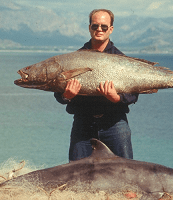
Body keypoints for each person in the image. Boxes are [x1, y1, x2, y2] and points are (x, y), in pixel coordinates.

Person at [54, 9, 139, 161]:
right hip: (83, 125)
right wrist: (66, 96)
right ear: (89, 28)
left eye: (104, 26)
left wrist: (117, 98)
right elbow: (58, 93)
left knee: (124, 173)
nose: (99, 29)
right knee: (78, 175)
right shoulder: (73, 59)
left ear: (111, 29)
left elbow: (134, 92)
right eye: (95, 26)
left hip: (115, 125)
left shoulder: (122, 60)